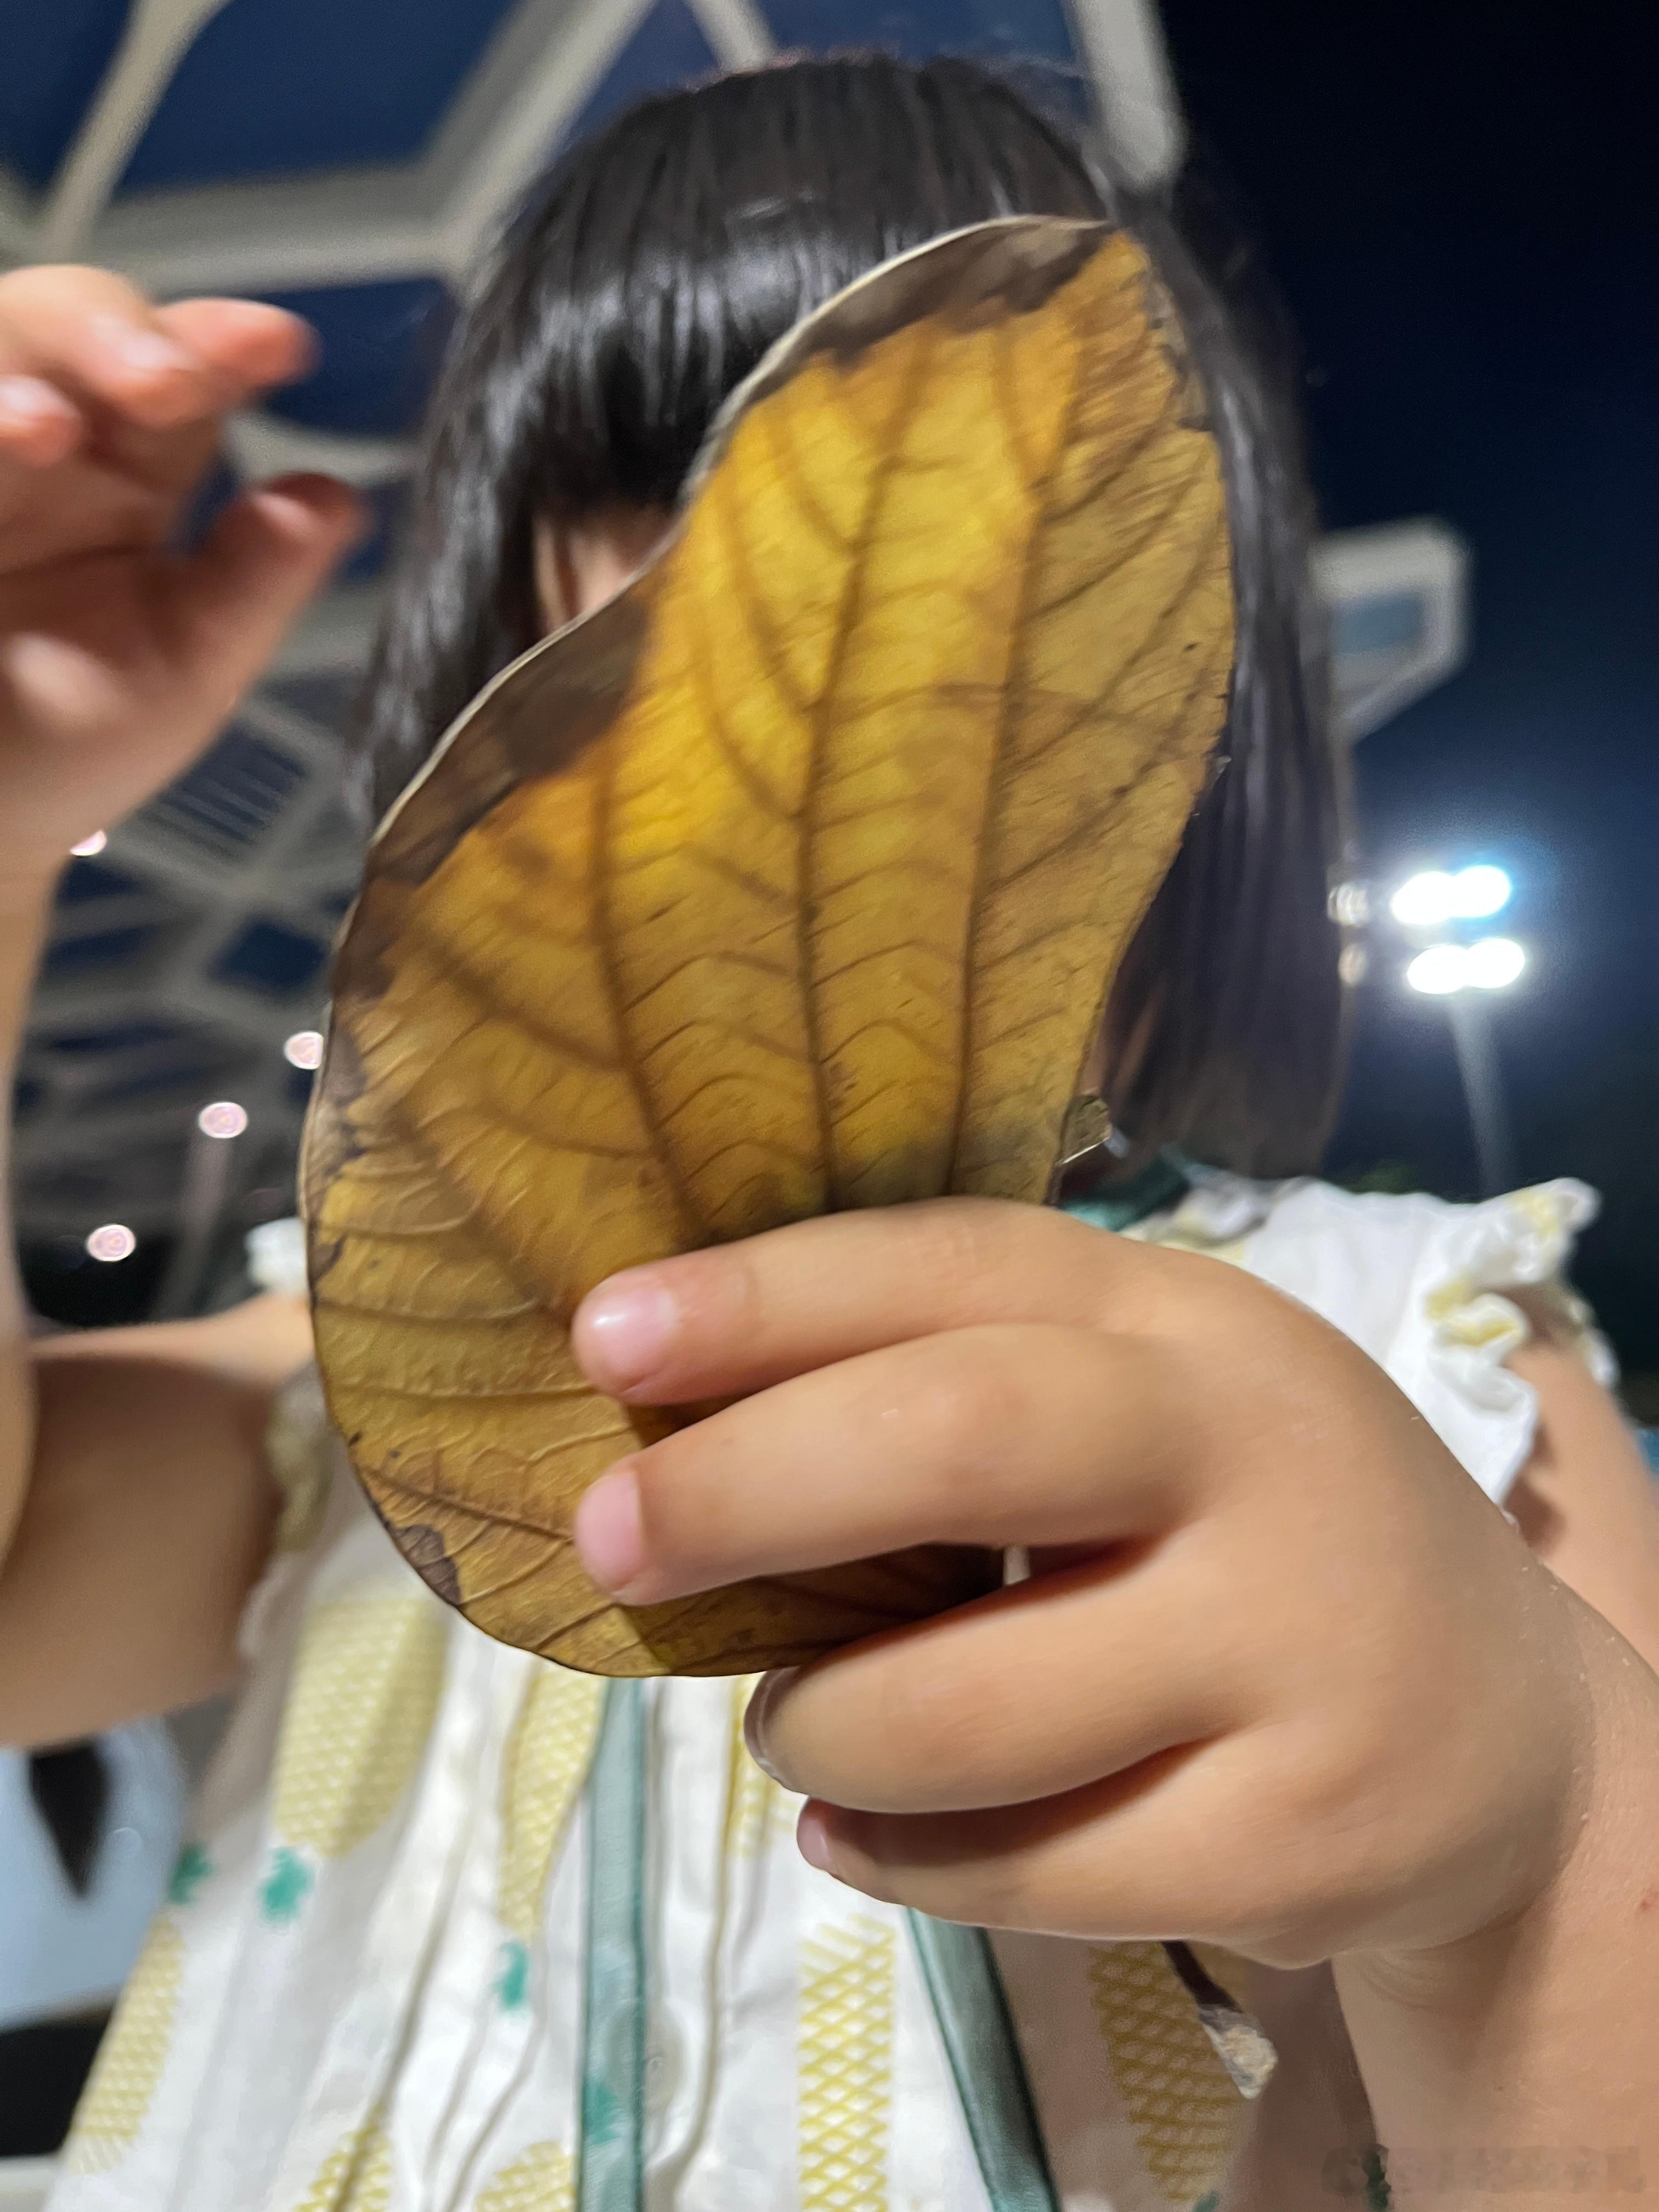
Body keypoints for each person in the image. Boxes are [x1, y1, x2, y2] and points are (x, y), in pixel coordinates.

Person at [2, 53, 1657, 2212]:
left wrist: (1548, 1821)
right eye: (673, 498)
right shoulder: (331, 1383)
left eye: (918, 487)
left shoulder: (1426, 1344)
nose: (801, 623)